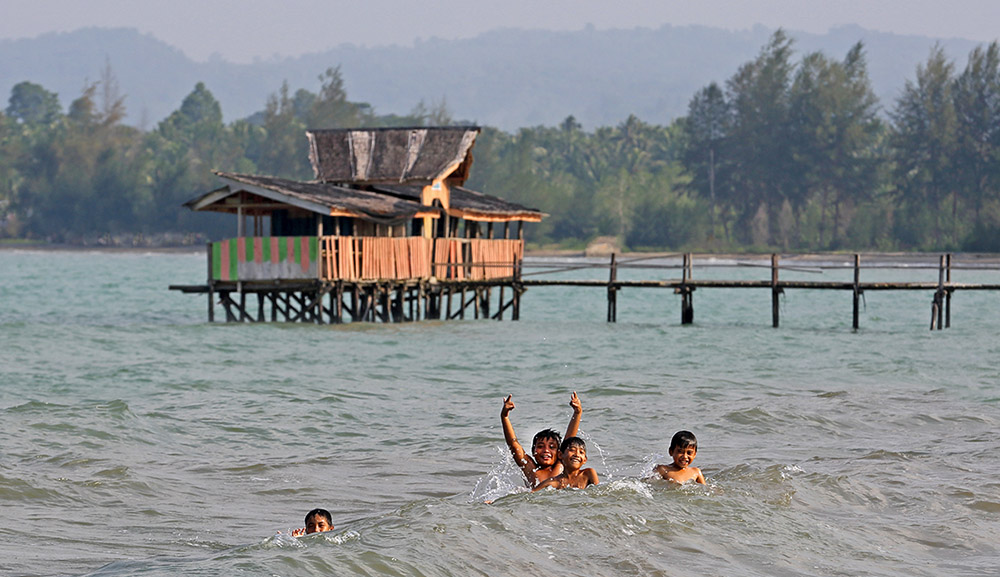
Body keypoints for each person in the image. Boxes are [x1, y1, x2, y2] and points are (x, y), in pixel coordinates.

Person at [500, 392, 582, 487]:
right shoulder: (530, 469)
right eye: (540, 446)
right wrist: (504, 417)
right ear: (533, 451)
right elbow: (514, 445)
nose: (546, 450)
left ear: (560, 453)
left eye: (552, 447)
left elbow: (569, 439)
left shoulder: (561, 465)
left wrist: (577, 413)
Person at [532, 436, 599, 491]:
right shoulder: (554, 482)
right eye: (572, 450)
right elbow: (532, 493)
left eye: (581, 452)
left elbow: (598, 493)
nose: (577, 455)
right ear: (560, 455)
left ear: (585, 459)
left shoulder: (588, 474)